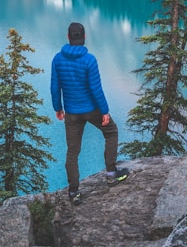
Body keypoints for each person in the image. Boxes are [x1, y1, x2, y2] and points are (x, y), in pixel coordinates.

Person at [50, 21, 129, 203]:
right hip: (91, 109)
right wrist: (105, 111)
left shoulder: (58, 59)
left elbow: (55, 87)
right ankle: (111, 173)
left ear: (68, 37)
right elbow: (95, 89)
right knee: (111, 132)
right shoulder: (89, 60)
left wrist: (58, 108)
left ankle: (74, 192)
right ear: (84, 38)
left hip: (71, 112)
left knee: (72, 151)